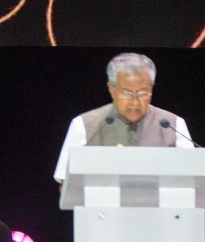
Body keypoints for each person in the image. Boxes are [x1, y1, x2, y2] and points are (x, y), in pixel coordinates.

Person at [52, 52, 192, 181]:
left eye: (143, 93)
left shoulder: (173, 124)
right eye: (126, 93)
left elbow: (193, 177)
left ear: (152, 89)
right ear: (111, 90)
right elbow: (65, 182)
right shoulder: (83, 125)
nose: (135, 102)